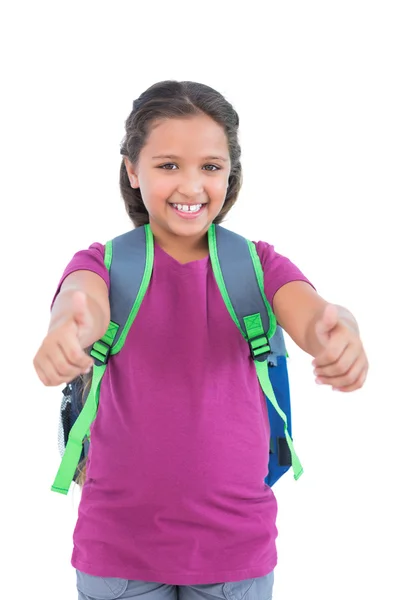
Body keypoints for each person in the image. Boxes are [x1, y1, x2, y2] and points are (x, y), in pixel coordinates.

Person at [33, 80, 368, 600]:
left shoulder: (258, 265)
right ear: (131, 170)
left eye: (210, 167)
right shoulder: (101, 264)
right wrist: (68, 326)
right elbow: (83, 301)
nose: (191, 187)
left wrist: (338, 329)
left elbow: (312, 312)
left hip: (235, 555)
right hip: (117, 554)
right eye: (168, 165)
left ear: (230, 173)